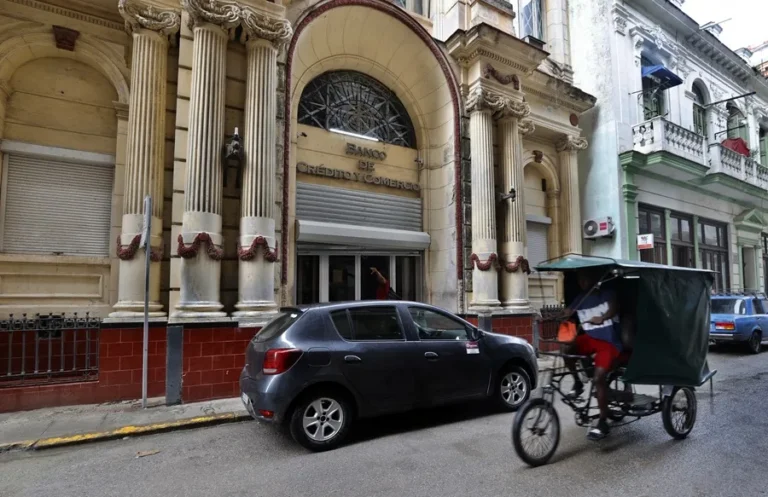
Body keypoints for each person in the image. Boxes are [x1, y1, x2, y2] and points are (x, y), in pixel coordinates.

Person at [562, 268, 622, 441]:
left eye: (585, 279)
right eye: (580, 279)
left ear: (594, 280)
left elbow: (613, 308)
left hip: (609, 343)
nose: (582, 283)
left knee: (598, 378)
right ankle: (577, 382)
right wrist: (556, 315)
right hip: (590, 339)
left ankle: (603, 421)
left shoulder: (607, 293)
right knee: (566, 349)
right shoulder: (581, 298)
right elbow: (569, 311)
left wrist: (603, 317)